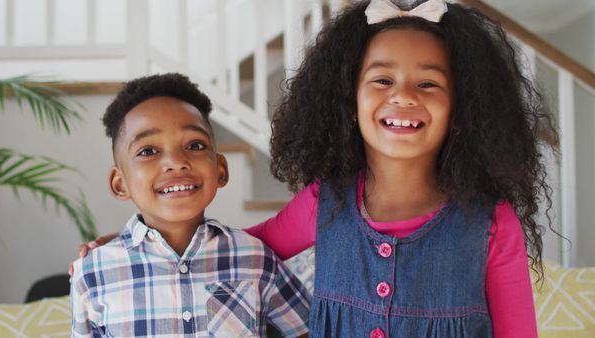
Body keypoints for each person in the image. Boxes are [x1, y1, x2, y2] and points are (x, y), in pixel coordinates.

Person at [75, 0, 558, 336]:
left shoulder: (492, 223)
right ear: (348, 101)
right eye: (382, 78)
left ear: (462, 109)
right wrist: (136, 247)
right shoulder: (322, 203)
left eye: (429, 84)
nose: (403, 95)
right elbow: (227, 252)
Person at [70, 73, 310, 337]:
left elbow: (310, 330)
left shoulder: (255, 258)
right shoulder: (91, 272)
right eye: (148, 151)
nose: (176, 161)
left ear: (220, 170)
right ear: (120, 183)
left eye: (195, 145)